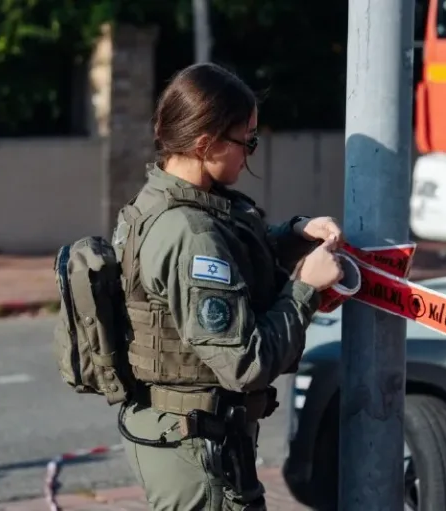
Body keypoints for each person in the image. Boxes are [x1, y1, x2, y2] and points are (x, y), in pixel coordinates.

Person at [111, 62, 345, 511]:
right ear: (205, 144)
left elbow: (234, 246)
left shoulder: (164, 198)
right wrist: (305, 288)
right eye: (247, 140)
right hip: (196, 451)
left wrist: (296, 234)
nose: (250, 153)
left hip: (191, 436)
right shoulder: (190, 234)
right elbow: (246, 363)